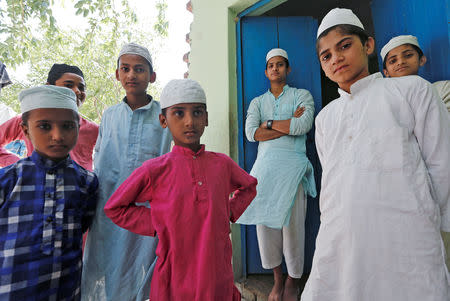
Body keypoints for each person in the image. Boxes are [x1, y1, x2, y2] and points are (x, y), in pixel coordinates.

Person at [301, 8, 450, 301]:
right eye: (326, 56)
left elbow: (441, 163)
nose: (336, 59)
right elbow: (332, 182)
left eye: (344, 46)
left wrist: (438, 226)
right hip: (342, 238)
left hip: (408, 235)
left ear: (367, 45)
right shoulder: (325, 118)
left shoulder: (412, 91)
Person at [103, 78, 257, 301]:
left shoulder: (222, 164)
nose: (189, 122)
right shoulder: (154, 170)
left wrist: (229, 211)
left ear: (206, 118)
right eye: (179, 113)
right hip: (174, 280)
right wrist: (157, 221)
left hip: (217, 275)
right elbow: (115, 207)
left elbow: (249, 186)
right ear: (163, 120)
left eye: (197, 113)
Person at [81, 43, 172, 301]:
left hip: (149, 206)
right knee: (110, 262)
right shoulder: (109, 116)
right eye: (126, 69)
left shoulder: (164, 115)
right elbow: (101, 157)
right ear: (117, 74)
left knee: (147, 264)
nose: (132, 75)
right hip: (111, 204)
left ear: (151, 77)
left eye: (140, 69)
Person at [0, 85, 98, 300]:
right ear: (25, 130)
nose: (57, 135)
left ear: (78, 128)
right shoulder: (7, 180)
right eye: (44, 126)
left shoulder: (86, 182)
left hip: (66, 289)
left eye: (67, 126)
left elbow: (82, 226)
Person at [237, 48, 316, 301]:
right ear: (266, 71)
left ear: (287, 69)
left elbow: (303, 125)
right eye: (271, 65)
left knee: (293, 229)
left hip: (293, 168)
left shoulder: (302, 95)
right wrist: (287, 125)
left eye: (280, 64)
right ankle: (278, 279)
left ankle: (293, 281)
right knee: (266, 226)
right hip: (265, 170)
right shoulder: (258, 102)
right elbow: (251, 133)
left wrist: (269, 124)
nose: (275, 69)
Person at [0, 64, 99, 171]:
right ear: (49, 87)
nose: (77, 91)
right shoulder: (28, 120)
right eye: (68, 85)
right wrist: (19, 165)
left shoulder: (94, 129)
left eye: (81, 87)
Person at [381, 34, 450, 112]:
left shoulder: (443, 89)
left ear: (421, 60)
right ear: (386, 72)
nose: (400, 62)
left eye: (408, 55)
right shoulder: (384, 102)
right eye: (393, 61)